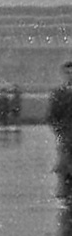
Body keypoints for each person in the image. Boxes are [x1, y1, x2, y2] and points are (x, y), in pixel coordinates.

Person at [48, 60, 72, 197]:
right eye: (68, 73)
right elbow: (52, 115)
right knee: (65, 165)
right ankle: (65, 192)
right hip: (66, 134)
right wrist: (59, 130)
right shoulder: (58, 94)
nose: (70, 76)